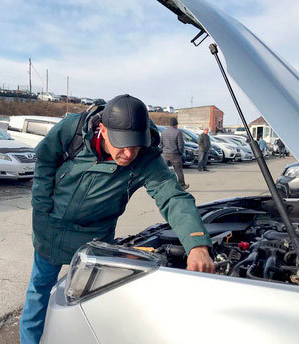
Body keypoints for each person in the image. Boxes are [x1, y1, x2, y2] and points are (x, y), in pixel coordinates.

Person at [20, 94, 215, 343]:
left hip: (97, 235)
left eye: (135, 145)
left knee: (94, 299)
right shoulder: (73, 129)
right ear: (102, 130)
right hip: (51, 228)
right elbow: (45, 161)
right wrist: (43, 205)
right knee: (39, 292)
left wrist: (197, 244)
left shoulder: (146, 157)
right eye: (121, 144)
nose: (128, 153)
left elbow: (173, 197)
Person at [161, 117, 189, 190]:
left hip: (165, 154)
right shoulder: (178, 132)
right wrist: (180, 152)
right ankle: (182, 185)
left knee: (165, 171)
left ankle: (164, 185)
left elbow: (161, 144)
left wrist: (164, 151)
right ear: (176, 125)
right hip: (175, 154)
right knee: (178, 170)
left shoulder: (164, 132)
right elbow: (181, 145)